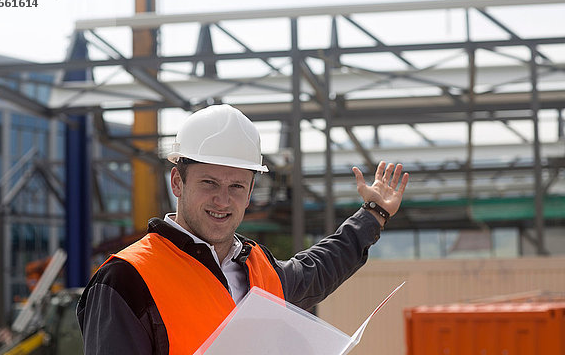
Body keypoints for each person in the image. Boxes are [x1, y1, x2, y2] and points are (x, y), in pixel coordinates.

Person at [76, 104, 409, 355]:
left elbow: (318, 269)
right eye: (209, 182)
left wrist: (373, 214)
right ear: (178, 182)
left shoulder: (257, 267)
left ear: (250, 193)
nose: (223, 199)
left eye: (236, 186)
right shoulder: (126, 278)